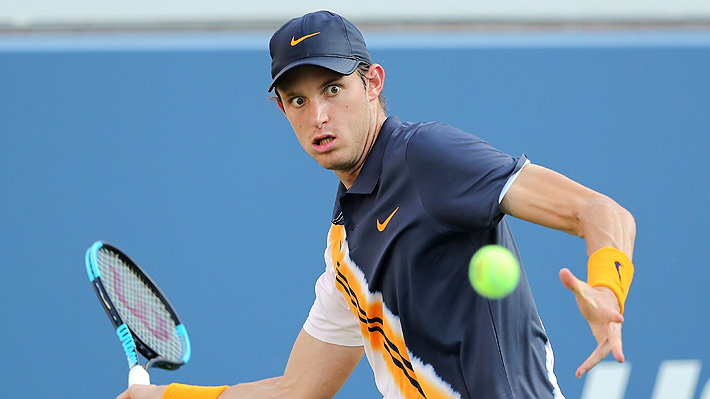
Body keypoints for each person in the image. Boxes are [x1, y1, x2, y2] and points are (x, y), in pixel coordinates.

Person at [118, 10, 636, 399]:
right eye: (298, 100)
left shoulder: (426, 156)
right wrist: (167, 396)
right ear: (282, 109)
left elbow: (601, 213)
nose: (318, 115)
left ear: (372, 83)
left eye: (332, 88)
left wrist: (609, 291)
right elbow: (297, 390)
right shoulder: (345, 247)